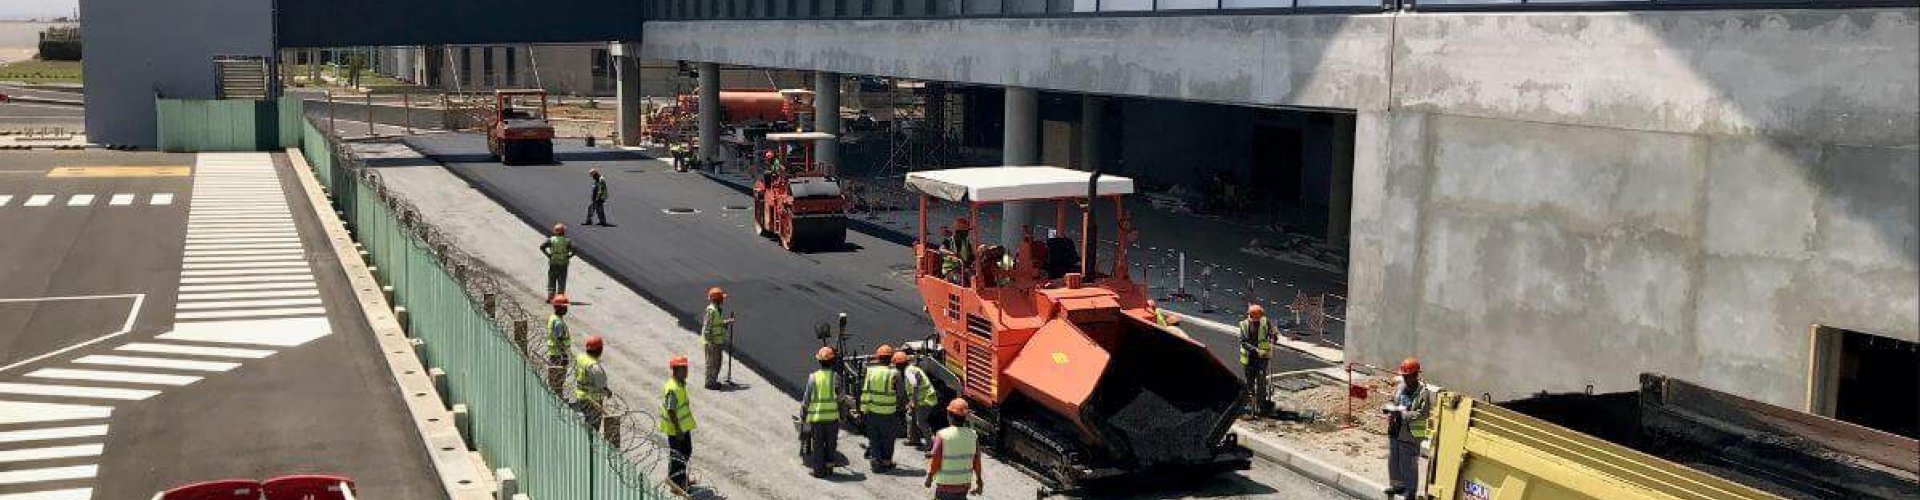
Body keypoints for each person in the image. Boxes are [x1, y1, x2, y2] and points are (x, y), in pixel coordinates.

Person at [1385, 357, 1434, 500]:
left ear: (1415, 375)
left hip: (1411, 433)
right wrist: (1389, 407)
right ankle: (1396, 486)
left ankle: (1410, 492)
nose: (1405, 379)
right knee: (1394, 459)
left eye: (1408, 376)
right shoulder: (1400, 387)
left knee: (1409, 464)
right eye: (1404, 376)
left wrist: (1402, 414)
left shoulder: (1422, 393)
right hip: (1396, 429)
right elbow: (1393, 400)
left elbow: (1422, 414)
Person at [924, 399, 984, 499]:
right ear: (965, 417)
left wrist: (930, 477)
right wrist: (979, 481)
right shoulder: (973, 435)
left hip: (945, 485)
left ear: (949, 415)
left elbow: (936, 460)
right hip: (964, 485)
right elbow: (976, 460)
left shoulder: (942, 435)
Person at [860, 345, 906, 471]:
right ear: (891, 358)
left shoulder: (870, 372)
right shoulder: (895, 373)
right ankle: (886, 461)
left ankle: (875, 459)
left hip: (873, 411)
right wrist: (901, 410)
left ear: (878, 358)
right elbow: (901, 394)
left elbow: (865, 391)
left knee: (874, 437)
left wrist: (863, 410)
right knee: (888, 438)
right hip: (889, 412)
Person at [800, 346, 842, 477]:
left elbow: (806, 398)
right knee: (831, 445)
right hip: (832, 419)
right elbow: (840, 397)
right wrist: (843, 413)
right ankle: (829, 468)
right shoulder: (836, 377)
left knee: (817, 445)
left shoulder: (813, 377)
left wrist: (803, 413)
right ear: (832, 362)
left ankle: (818, 471)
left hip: (817, 419)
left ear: (819, 361)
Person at [661, 355, 697, 496]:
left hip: (683, 427)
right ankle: (677, 484)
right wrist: (677, 430)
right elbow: (671, 409)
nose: (687, 371)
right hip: (677, 430)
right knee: (678, 455)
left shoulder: (680, 384)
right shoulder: (673, 388)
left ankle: (680, 479)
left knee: (686, 451)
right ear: (677, 370)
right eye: (684, 368)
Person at [1238, 304, 1275, 418]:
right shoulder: (1244, 325)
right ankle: (1251, 408)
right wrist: (1256, 350)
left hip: (1262, 359)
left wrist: (1274, 336)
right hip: (1249, 359)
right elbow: (1243, 342)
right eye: (1253, 316)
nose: (1256, 319)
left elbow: (1273, 333)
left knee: (1261, 382)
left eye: (1258, 317)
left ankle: (1261, 406)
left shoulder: (1265, 322)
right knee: (1250, 384)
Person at [700, 287, 736, 389]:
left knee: (717, 362)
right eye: (721, 298)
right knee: (712, 363)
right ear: (717, 299)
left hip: (717, 341)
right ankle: (710, 383)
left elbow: (717, 324)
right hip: (712, 342)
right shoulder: (711, 311)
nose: (723, 300)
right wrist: (710, 341)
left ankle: (713, 381)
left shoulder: (717, 310)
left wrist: (727, 322)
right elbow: (707, 327)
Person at [902, 352, 939, 451]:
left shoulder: (908, 371)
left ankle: (931, 444)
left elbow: (914, 385)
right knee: (911, 415)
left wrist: (913, 401)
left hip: (925, 400)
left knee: (921, 422)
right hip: (926, 398)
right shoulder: (914, 368)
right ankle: (914, 439)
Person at [573, 335, 610, 428]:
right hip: (593, 400)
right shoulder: (594, 366)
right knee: (593, 426)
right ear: (599, 350)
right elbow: (602, 386)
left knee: (586, 422)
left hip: (580, 395)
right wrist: (608, 393)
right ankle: (590, 441)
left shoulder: (580, 357)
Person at [539, 223, 573, 298]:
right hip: (563, 263)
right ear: (563, 231)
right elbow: (574, 250)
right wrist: (569, 256)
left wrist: (548, 255)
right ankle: (560, 298)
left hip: (553, 262)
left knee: (552, 279)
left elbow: (542, 247)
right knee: (562, 281)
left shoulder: (551, 240)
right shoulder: (567, 241)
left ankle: (550, 297)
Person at [545, 294, 572, 367]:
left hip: (554, 351)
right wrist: (564, 354)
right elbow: (559, 338)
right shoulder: (558, 322)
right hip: (558, 353)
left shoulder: (553, 317)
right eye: (565, 307)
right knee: (559, 375)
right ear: (559, 308)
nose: (566, 309)